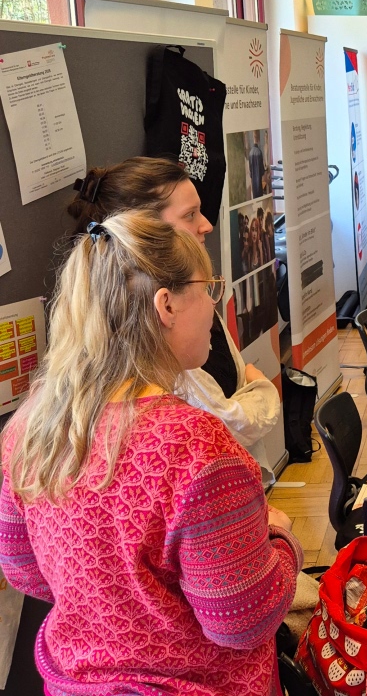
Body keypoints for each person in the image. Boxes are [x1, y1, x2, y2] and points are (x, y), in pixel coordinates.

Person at [0, 211, 302, 696]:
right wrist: (283, 544)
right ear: (166, 305)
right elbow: (239, 622)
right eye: (210, 289)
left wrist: (113, 603)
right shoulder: (196, 445)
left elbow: (25, 570)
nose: (218, 307)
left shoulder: (36, 422)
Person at [69, 160, 280, 474]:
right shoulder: (152, 339)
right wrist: (263, 390)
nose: (206, 225)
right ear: (145, 228)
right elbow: (222, 425)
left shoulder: (187, 308)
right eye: (190, 214)